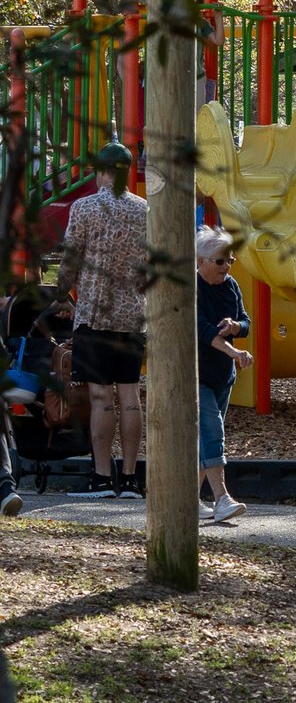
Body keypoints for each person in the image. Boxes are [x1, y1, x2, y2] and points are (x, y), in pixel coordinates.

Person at [61, 143, 149, 499]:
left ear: (101, 171)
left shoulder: (84, 208)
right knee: (129, 393)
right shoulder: (144, 210)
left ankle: (100, 477)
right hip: (133, 317)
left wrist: (62, 292)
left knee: (100, 396)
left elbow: (70, 260)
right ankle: (129, 478)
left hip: (94, 314)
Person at [194, 227, 252, 523]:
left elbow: (246, 321)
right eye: (220, 261)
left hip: (222, 375)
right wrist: (234, 352)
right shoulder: (191, 287)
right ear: (201, 261)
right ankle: (222, 499)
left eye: (230, 260)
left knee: (206, 439)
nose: (226, 266)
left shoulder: (231, 286)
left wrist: (235, 326)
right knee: (213, 432)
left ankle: (188, 500)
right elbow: (203, 330)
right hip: (197, 374)